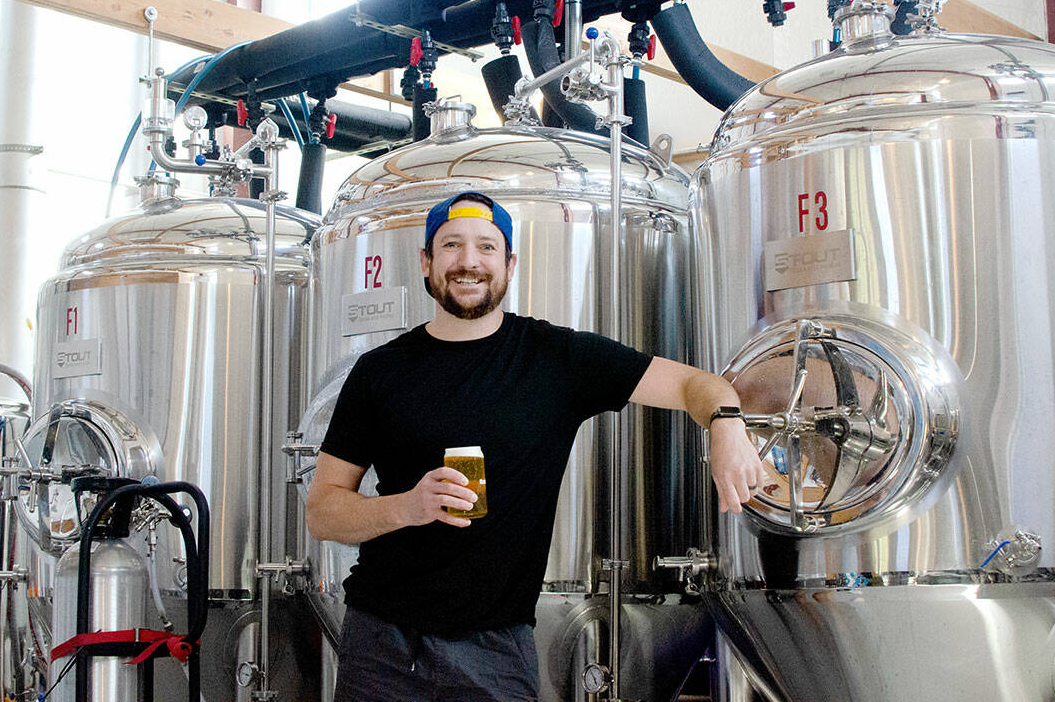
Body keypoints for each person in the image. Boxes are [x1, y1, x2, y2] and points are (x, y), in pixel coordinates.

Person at [306, 191, 762, 701]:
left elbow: (696, 385)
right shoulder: (379, 371)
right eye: (451, 245)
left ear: (509, 265)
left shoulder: (556, 359)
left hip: (495, 651)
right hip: (381, 647)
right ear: (426, 262)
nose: (469, 261)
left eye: (487, 247)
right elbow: (323, 513)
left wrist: (725, 424)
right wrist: (408, 507)